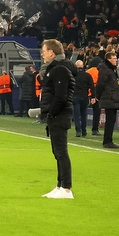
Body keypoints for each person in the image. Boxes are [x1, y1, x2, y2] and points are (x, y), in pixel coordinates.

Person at [39, 39, 76, 199]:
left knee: (61, 152)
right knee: (57, 152)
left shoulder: (60, 69)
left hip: (59, 115)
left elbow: (60, 96)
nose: (42, 53)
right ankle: (60, 185)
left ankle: (66, 188)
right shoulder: (56, 68)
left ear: (51, 52)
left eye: (44, 50)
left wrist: (51, 113)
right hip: (57, 114)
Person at [96, 51, 119, 149]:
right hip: (109, 98)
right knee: (110, 120)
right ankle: (107, 141)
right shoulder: (106, 69)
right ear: (108, 59)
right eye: (114, 58)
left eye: (116, 58)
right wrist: (97, 96)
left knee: (111, 120)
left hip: (112, 97)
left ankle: (108, 140)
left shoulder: (110, 69)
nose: (116, 60)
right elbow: (100, 83)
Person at [72, 60, 94, 137]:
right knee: (83, 114)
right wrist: (93, 96)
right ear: (83, 65)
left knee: (76, 114)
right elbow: (92, 86)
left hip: (75, 96)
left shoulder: (73, 75)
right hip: (84, 96)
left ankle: (78, 131)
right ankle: (84, 131)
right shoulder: (87, 75)